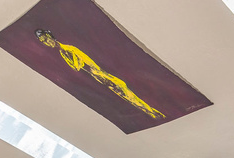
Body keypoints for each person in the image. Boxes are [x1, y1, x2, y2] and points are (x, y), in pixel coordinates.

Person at [35, 29, 165, 120]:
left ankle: (154, 113)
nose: (46, 42)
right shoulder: (63, 52)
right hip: (101, 79)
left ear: (50, 36)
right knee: (130, 99)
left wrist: (97, 73)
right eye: (43, 41)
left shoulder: (68, 49)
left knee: (130, 97)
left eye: (46, 39)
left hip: (104, 77)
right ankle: (153, 113)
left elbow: (82, 65)